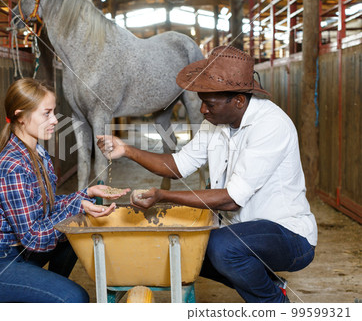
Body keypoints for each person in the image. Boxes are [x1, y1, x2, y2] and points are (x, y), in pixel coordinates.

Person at [97, 46, 317, 303]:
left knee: (221, 248)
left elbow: (231, 199)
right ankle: (267, 282)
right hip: (240, 230)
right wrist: (126, 150)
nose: (202, 110)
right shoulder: (214, 124)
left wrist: (163, 196)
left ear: (238, 101)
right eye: (202, 102)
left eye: (209, 104)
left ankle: (275, 304)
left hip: (289, 235)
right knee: (186, 250)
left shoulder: (271, 125)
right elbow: (178, 165)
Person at [0, 78, 129, 303]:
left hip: (18, 252)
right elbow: (34, 237)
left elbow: (44, 207)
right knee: (74, 298)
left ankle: (41, 293)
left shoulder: (37, 154)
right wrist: (78, 205)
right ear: (20, 116)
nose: (54, 121)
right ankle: (4, 296)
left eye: (54, 113)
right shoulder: (13, 166)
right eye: (46, 113)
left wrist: (87, 194)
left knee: (77, 225)